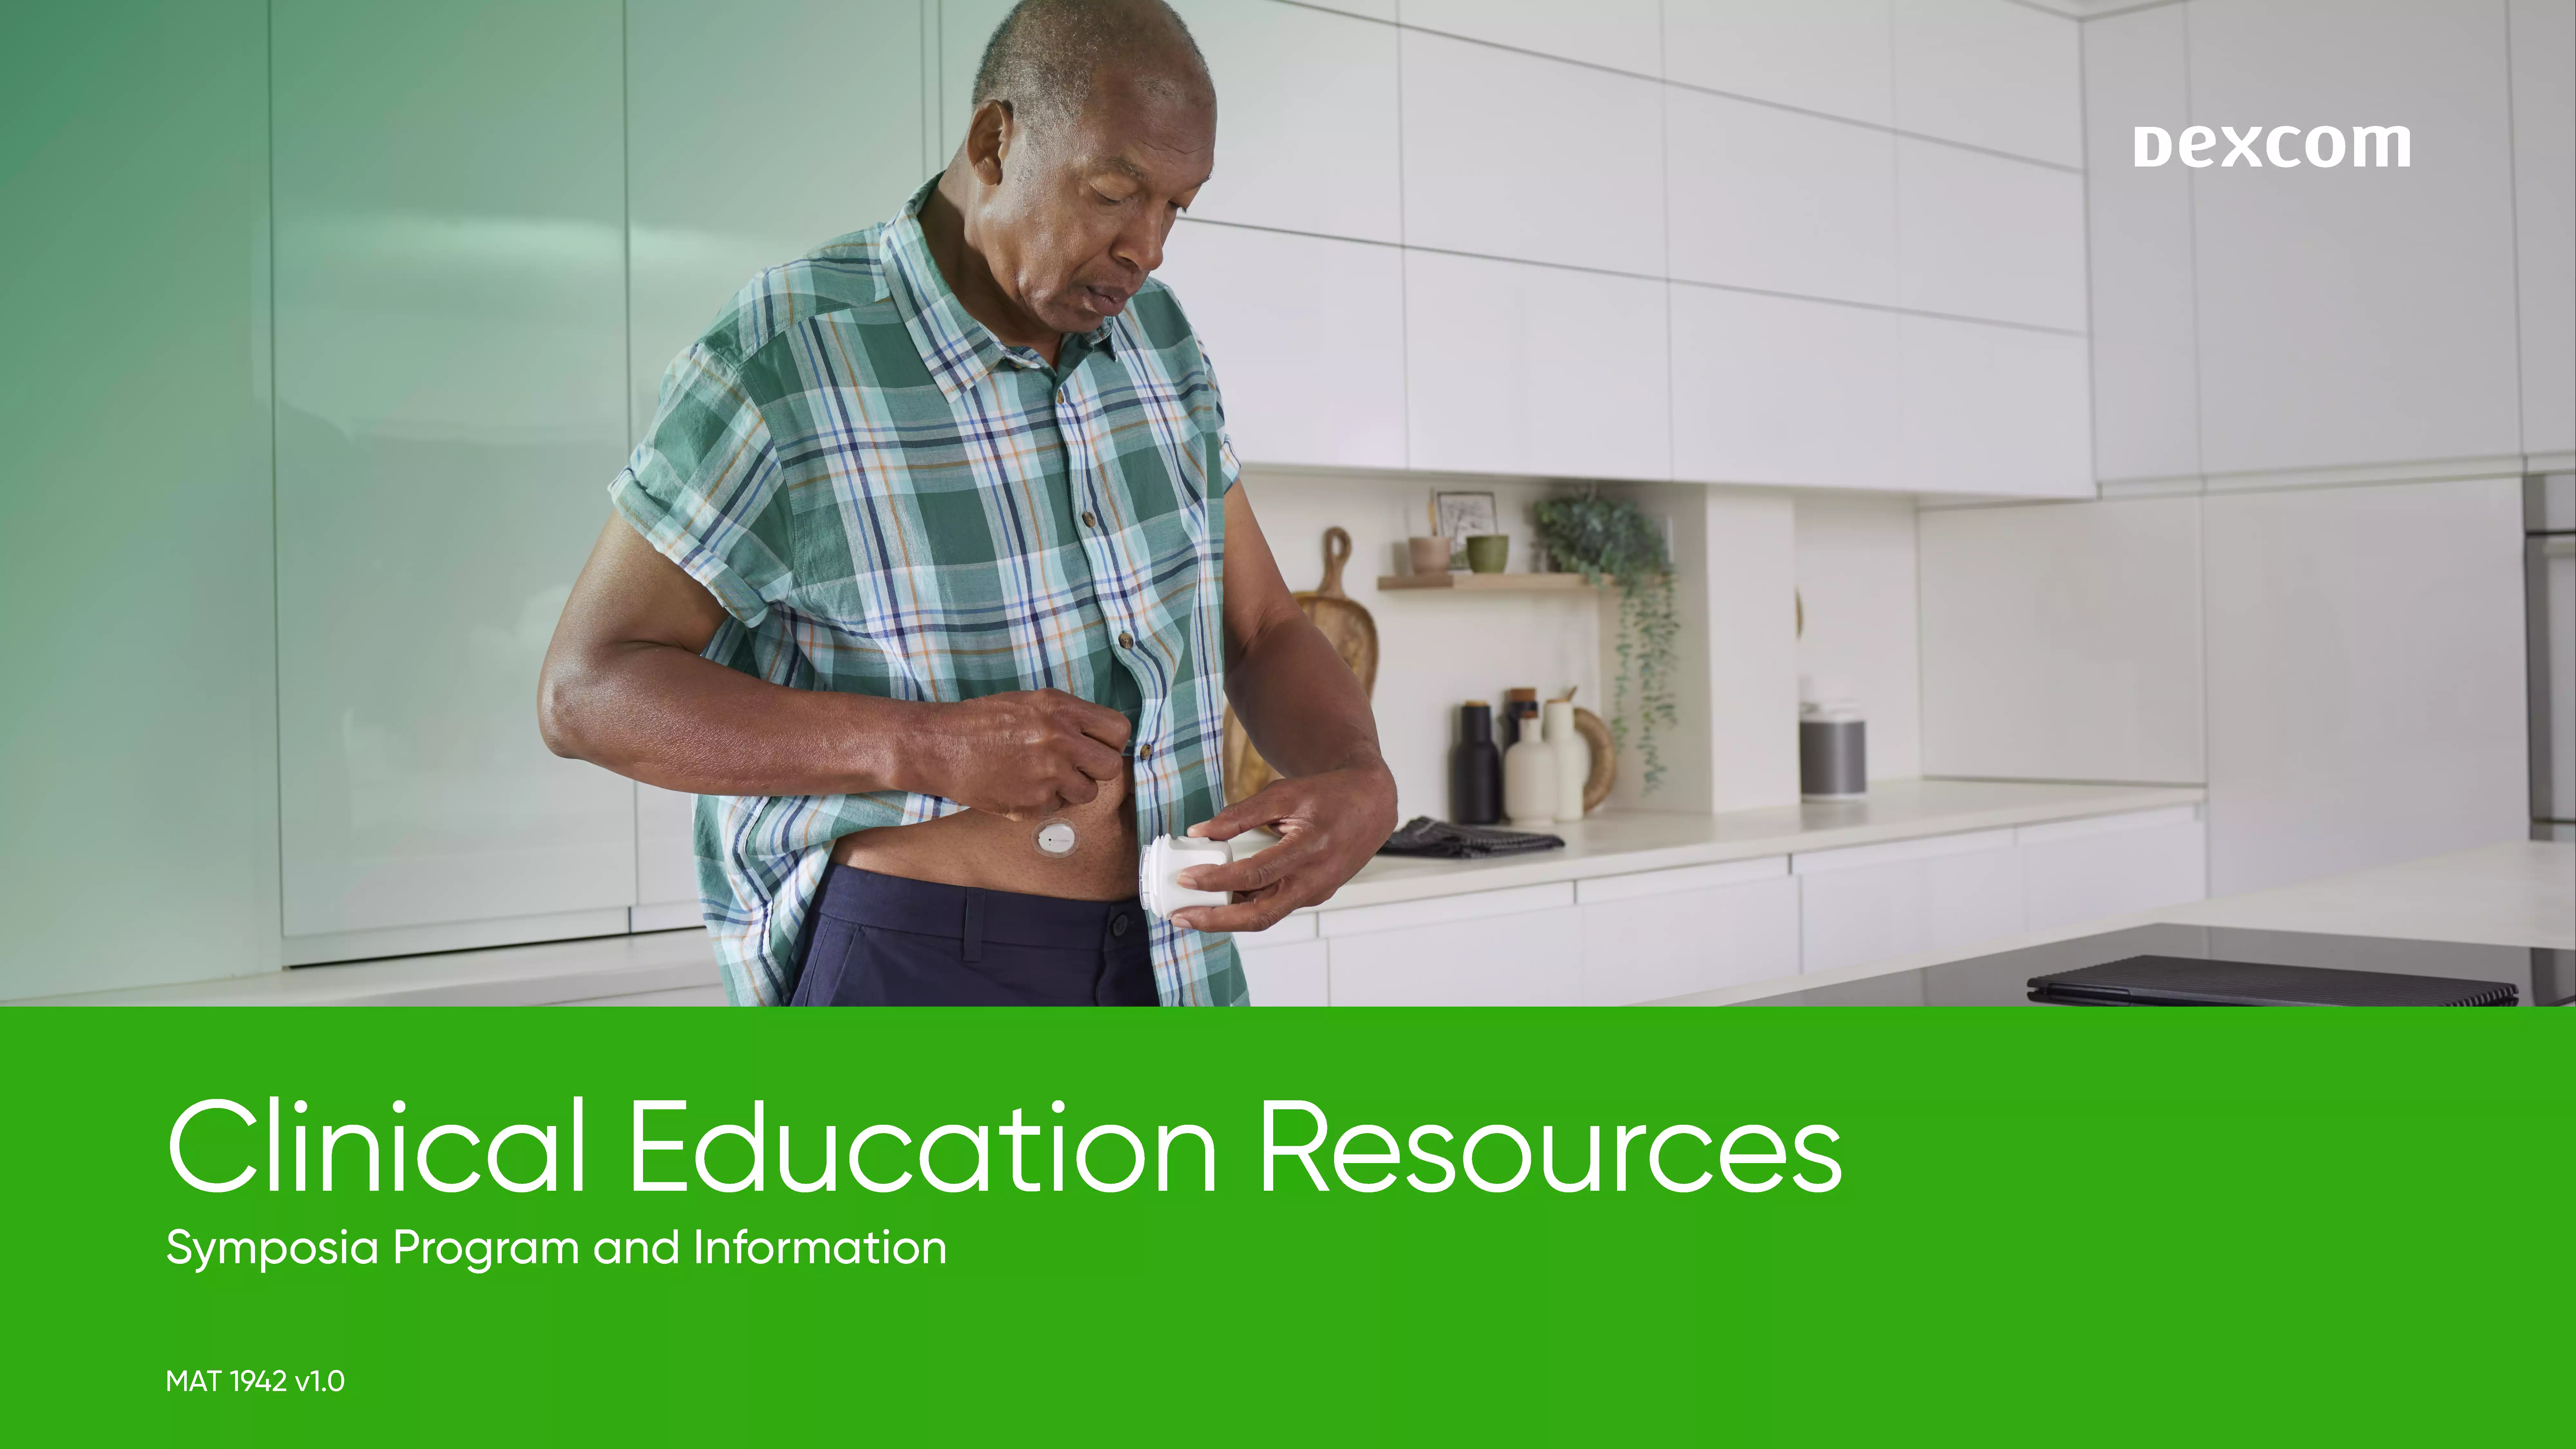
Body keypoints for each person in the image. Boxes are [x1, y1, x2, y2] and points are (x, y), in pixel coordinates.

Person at [536, 0, 1395, 1007]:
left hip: (1170, 962)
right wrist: (922, 744)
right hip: (917, 965)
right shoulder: (788, 356)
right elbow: (587, 691)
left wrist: (1360, 773)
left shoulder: (1160, 344)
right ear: (996, 141)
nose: (1149, 248)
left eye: (1177, 207)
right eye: (1117, 193)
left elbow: (1261, 626)